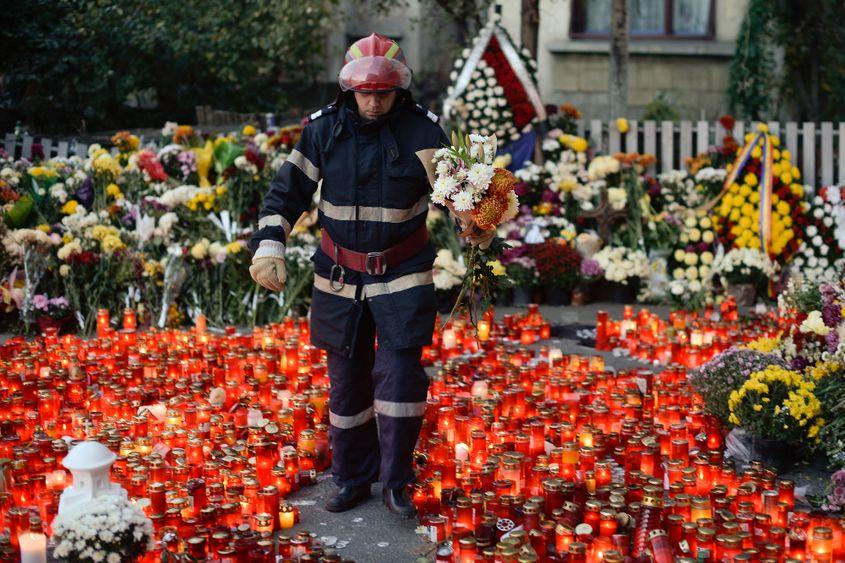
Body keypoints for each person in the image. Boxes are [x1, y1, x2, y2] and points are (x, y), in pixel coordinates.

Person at [249, 33, 491, 518]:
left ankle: (396, 482)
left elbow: (465, 199)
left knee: (400, 379)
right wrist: (270, 245)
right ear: (350, 90)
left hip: (402, 273)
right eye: (366, 92)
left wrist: (477, 220)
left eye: (383, 92)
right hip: (338, 276)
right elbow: (285, 194)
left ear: (399, 90)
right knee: (345, 384)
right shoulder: (323, 130)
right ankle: (353, 478)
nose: (374, 101)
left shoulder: (425, 133)